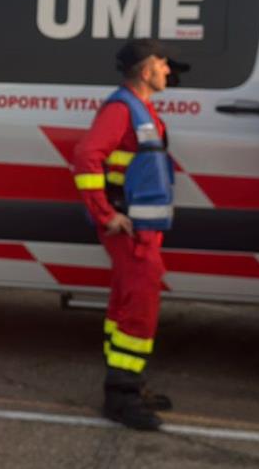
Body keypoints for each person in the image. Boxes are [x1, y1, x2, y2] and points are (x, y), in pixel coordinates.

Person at [70, 38, 185, 431]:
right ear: (146, 69)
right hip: (131, 231)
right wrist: (106, 214)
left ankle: (128, 385)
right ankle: (122, 396)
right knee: (138, 311)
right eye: (163, 63)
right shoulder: (122, 108)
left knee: (126, 306)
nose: (169, 70)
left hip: (143, 230)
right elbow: (86, 156)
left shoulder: (140, 109)